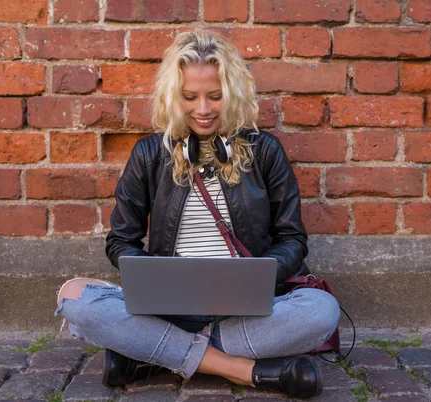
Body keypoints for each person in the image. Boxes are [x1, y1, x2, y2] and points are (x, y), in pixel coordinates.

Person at [55, 29, 340, 399]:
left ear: (232, 94)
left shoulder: (265, 151)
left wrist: (258, 276)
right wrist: (154, 281)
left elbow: (292, 240)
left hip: (246, 314)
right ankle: (240, 369)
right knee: (75, 298)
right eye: (190, 97)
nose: (203, 110)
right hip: (169, 311)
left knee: (321, 311)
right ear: (175, 96)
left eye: (215, 97)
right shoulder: (149, 155)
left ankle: (154, 354)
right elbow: (121, 242)